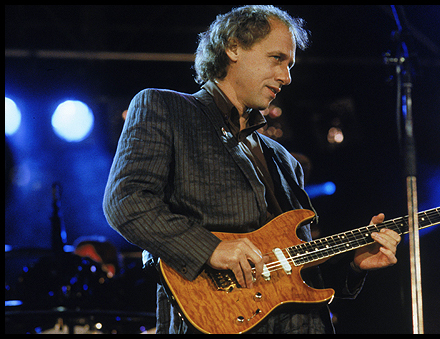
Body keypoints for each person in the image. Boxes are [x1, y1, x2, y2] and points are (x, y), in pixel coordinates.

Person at [103, 5, 401, 334]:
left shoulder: (283, 160)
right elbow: (126, 202)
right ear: (233, 47)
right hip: (213, 320)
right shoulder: (166, 108)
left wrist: (354, 264)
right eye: (277, 59)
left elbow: (294, 269)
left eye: (290, 65)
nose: (286, 77)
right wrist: (211, 249)